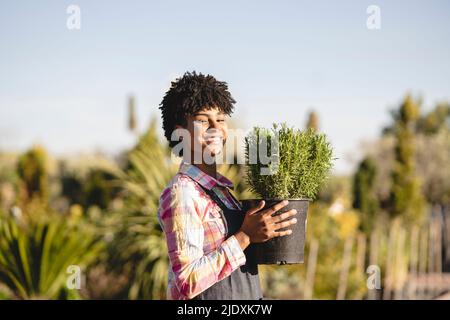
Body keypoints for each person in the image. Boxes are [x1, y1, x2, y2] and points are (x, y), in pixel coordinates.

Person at [157, 71, 298, 300]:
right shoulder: (182, 192)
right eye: (203, 120)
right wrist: (245, 236)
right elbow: (185, 283)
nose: (215, 127)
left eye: (220, 119)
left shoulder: (223, 193)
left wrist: (268, 234)